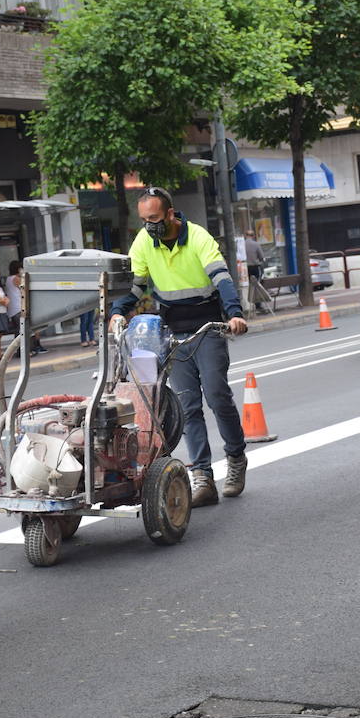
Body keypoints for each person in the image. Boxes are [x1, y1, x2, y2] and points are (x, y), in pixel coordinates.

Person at [109, 187, 249, 507]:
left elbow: (222, 278)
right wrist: (118, 310)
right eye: (144, 220)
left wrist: (235, 314)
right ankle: (202, 476)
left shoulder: (198, 237)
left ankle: (236, 460)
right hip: (173, 331)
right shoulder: (145, 242)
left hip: (207, 328)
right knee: (187, 407)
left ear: (170, 214)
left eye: (155, 219)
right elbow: (135, 284)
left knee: (217, 396)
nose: (150, 226)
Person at [5, 259, 47, 355]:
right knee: (23, 331)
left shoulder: (8, 279)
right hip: (18, 307)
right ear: (17, 269)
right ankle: (24, 351)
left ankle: (21, 351)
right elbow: (25, 287)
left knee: (19, 331)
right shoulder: (16, 278)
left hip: (12, 309)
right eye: (20, 268)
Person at [243, 229, 266, 314]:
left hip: (245, 268)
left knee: (247, 286)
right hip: (255, 267)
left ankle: (248, 304)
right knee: (256, 286)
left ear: (245, 235)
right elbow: (261, 256)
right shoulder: (256, 244)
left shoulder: (242, 245)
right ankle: (258, 304)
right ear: (253, 236)